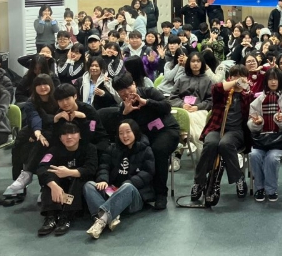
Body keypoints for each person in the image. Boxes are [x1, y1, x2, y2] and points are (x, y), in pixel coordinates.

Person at [111, 72, 180, 210]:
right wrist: (125, 113)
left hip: (166, 130)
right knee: (132, 148)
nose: (126, 93)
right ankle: (142, 192)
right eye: (121, 91)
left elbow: (167, 106)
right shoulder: (123, 106)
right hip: (144, 136)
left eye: (128, 88)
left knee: (157, 150)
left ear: (134, 84)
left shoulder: (149, 92)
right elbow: (121, 130)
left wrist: (146, 102)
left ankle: (161, 194)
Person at [191, 65, 254, 204]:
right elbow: (216, 87)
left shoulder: (248, 95)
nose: (238, 79)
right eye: (235, 76)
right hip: (217, 128)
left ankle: (238, 178)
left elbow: (254, 98)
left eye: (242, 76)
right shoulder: (222, 93)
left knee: (225, 144)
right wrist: (235, 82)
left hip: (236, 131)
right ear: (230, 78)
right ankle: (199, 181)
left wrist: (245, 86)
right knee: (210, 143)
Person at [82, 119, 155, 239]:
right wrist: (103, 180)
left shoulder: (145, 150)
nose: (124, 136)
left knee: (128, 186)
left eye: (128, 132)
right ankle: (109, 216)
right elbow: (104, 166)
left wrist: (129, 183)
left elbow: (148, 173)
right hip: (112, 191)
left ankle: (101, 220)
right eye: (121, 133)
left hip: (133, 196)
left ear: (135, 132)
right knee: (89, 185)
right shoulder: (112, 148)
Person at [1, 74, 58, 205]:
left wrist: (41, 130)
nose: (42, 87)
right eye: (39, 85)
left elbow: (54, 120)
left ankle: (37, 180)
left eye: (45, 84)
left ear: (51, 85)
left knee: (43, 144)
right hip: (36, 128)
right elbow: (34, 117)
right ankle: (19, 180)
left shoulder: (57, 99)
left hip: (54, 130)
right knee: (19, 142)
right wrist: (37, 132)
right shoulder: (31, 102)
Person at [35, 122, 98, 236]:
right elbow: (41, 168)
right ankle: (51, 216)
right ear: (60, 138)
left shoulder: (90, 148)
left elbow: (91, 169)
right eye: (64, 134)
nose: (68, 137)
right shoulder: (54, 150)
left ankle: (66, 216)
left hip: (78, 190)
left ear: (80, 135)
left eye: (73, 133)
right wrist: (53, 185)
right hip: (60, 187)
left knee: (78, 178)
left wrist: (69, 172)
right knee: (50, 177)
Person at [247, 68, 282, 202]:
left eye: (276, 79)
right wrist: (258, 123)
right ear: (266, 81)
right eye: (270, 79)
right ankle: (259, 188)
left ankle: (270, 190)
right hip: (262, 140)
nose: (273, 82)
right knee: (254, 155)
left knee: (272, 158)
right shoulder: (257, 101)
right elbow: (250, 123)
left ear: (280, 81)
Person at [169, 51, 213, 159]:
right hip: (183, 109)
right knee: (183, 115)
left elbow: (211, 100)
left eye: (198, 61)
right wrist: (182, 105)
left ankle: (187, 140)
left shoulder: (207, 80)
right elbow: (172, 98)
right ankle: (190, 142)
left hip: (199, 110)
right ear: (189, 63)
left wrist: (198, 107)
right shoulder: (181, 79)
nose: (195, 64)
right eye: (193, 61)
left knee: (192, 117)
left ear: (202, 63)